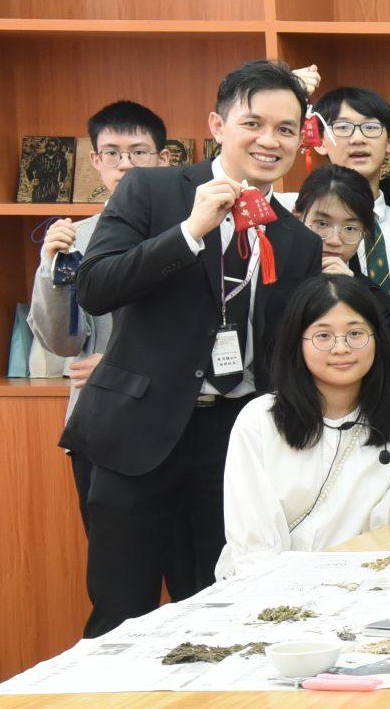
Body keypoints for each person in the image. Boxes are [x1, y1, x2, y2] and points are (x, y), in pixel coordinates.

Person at [64, 61, 323, 633]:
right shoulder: (151, 189)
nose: (270, 140)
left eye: (285, 129)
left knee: (219, 612)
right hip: (136, 435)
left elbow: (285, 349)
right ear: (217, 125)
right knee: (121, 613)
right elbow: (96, 286)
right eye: (253, 123)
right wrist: (190, 231)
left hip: (232, 442)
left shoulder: (297, 239)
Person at [34, 102, 163, 633]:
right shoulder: (76, 239)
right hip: (102, 428)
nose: (125, 164)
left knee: (197, 579)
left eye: (139, 152)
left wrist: (118, 364)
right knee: (118, 590)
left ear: (163, 159)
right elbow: (62, 342)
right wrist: (50, 268)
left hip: (179, 421)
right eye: (112, 153)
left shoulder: (191, 230)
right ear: (94, 161)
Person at [215, 273, 390, 578]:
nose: (341, 348)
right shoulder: (259, 420)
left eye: (355, 333)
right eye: (323, 336)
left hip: (364, 589)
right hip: (265, 589)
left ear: (377, 339)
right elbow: (254, 549)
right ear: (297, 342)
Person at [296, 162, 390, 311]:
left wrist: (353, 294)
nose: (334, 240)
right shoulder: (276, 280)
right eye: (322, 224)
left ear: (364, 232)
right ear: (297, 217)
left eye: (350, 228)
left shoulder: (379, 302)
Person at [311, 85, 390, 232]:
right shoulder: (299, 218)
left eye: (371, 127)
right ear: (320, 142)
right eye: (343, 127)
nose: (358, 139)